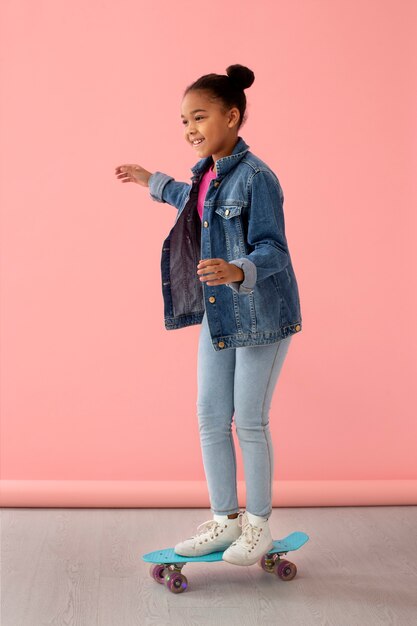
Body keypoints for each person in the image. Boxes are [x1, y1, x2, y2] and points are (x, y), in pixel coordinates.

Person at [114, 64, 302, 566]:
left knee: (251, 423)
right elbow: (187, 198)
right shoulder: (206, 174)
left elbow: (274, 250)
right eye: (182, 121)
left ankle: (258, 525)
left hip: (261, 314)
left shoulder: (258, 177)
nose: (189, 129)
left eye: (199, 117)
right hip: (220, 315)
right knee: (210, 418)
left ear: (233, 117)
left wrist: (238, 270)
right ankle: (226, 520)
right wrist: (148, 180)